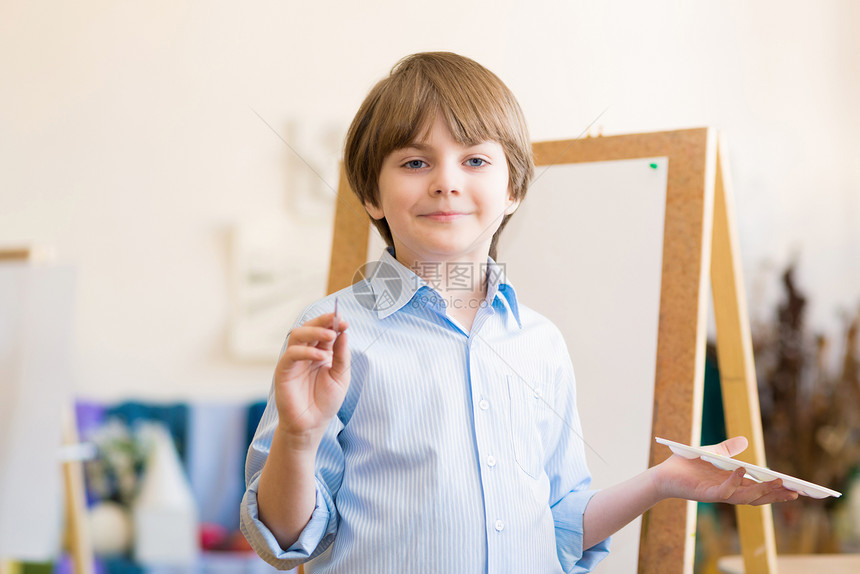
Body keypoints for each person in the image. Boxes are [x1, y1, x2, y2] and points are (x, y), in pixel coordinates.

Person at [240, 52, 797, 573]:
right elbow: (285, 542)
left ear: (513, 190)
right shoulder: (333, 334)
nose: (446, 181)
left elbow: (555, 526)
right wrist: (297, 436)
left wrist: (662, 482)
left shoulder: (540, 341)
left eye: (475, 159)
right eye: (415, 161)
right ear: (371, 196)